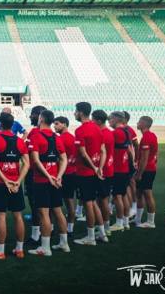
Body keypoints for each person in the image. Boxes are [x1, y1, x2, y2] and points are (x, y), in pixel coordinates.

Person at [0, 112, 30, 260]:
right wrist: (18, 180)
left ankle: (0, 251)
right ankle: (19, 249)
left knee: (1, 216)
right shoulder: (20, 142)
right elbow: (27, 164)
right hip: (16, 184)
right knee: (18, 216)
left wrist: (5, 180)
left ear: (0, 123)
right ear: (13, 124)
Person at [29, 110, 70, 256]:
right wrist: (58, 176)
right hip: (55, 180)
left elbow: (35, 160)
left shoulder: (36, 136)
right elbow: (64, 159)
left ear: (41, 119)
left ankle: (45, 247)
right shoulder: (56, 137)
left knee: (44, 213)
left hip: (42, 180)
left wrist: (48, 176)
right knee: (58, 211)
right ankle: (64, 243)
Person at [73, 102, 107, 246]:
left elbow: (82, 153)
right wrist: (100, 167)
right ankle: (102, 234)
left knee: (88, 204)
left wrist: (94, 168)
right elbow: (103, 150)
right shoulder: (98, 128)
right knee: (93, 202)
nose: (74, 113)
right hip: (94, 171)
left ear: (81, 112)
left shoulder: (80, 130)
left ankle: (91, 237)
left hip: (85, 172)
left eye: (75, 111)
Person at [109, 111, 135, 232]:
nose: (109, 121)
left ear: (115, 119)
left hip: (117, 169)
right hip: (125, 168)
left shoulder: (116, 133)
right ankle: (125, 222)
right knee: (123, 195)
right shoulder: (126, 131)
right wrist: (132, 163)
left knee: (117, 196)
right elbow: (130, 150)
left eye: (110, 119)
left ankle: (119, 222)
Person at [25, 105, 46, 247]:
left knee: (36, 204)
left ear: (39, 116)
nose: (30, 116)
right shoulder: (52, 134)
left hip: (35, 172)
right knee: (47, 205)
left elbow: (28, 152)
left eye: (33, 114)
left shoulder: (34, 133)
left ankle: (35, 234)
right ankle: (49, 229)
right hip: (49, 172)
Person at [53, 116, 77, 236]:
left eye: (57, 124)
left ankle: (51, 227)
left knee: (54, 203)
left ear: (64, 124)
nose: (54, 126)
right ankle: (70, 228)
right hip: (72, 172)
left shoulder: (60, 139)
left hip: (61, 174)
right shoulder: (73, 137)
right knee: (70, 201)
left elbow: (59, 158)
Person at [92, 109, 114, 238]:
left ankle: (105, 227)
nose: (92, 121)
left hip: (103, 170)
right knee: (102, 199)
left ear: (99, 121)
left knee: (103, 200)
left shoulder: (103, 134)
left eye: (93, 119)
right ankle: (103, 226)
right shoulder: (108, 133)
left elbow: (101, 153)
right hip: (107, 169)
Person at [134, 116, 158, 229]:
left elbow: (144, 158)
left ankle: (151, 222)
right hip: (149, 169)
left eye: (139, 121)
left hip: (147, 170)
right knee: (139, 194)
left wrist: (139, 174)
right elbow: (157, 153)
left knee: (147, 194)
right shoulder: (151, 136)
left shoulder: (147, 137)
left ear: (144, 123)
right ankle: (138, 219)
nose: (137, 123)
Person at [123, 111, 140, 219]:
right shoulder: (120, 130)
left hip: (129, 161)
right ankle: (127, 206)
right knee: (125, 185)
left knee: (131, 183)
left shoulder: (129, 130)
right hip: (122, 162)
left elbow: (136, 145)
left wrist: (135, 160)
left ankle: (133, 206)